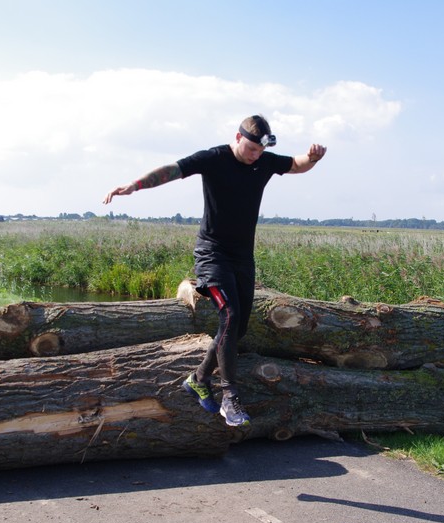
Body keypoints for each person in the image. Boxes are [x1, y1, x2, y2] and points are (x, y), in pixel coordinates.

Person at [103, 114, 327, 426]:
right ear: (237, 138)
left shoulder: (264, 162)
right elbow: (172, 170)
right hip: (212, 255)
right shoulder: (214, 158)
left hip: (242, 258)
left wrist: (313, 158)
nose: (255, 155)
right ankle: (230, 396)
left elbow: (297, 164)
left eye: (260, 150)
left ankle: (198, 379)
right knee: (230, 316)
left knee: (239, 328)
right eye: (251, 148)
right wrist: (135, 185)